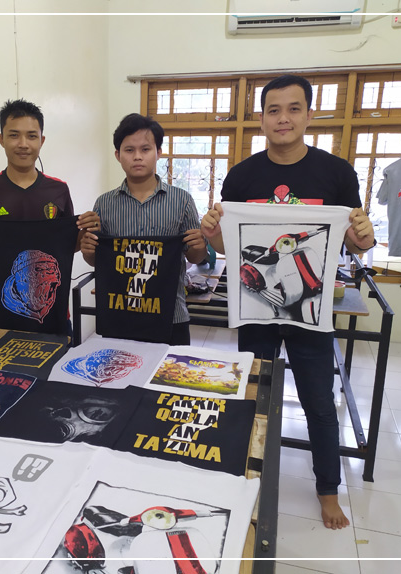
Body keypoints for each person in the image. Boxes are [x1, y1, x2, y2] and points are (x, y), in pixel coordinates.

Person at [200, 75, 376, 530]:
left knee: (319, 401)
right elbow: (226, 247)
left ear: (309, 115)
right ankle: (246, 474)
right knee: (253, 395)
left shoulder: (337, 173)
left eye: (294, 108)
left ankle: (328, 490)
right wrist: (212, 231)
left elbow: (353, 243)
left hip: (310, 311)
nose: (283, 118)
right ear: (261, 119)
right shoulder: (242, 176)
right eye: (273, 110)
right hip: (256, 310)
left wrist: (364, 236)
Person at [0, 99, 98, 330]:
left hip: (53, 309)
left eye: (32, 136)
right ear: (1, 139)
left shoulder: (58, 190)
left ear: (42, 140)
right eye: (14, 135)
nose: (23, 144)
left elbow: (67, 245)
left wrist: (86, 232)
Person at [80, 113, 207, 345]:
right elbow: (98, 260)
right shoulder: (104, 204)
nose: (137, 156)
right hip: (119, 315)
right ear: (118, 155)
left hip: (171, 316)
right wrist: (87, 250)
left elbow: (195, 257)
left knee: (171, 370)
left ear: (158, 152)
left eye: (145, 149)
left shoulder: (182, 201)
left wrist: (199, 245)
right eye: (129, 150)